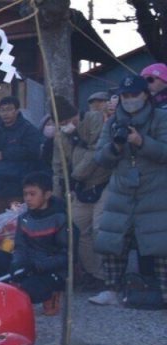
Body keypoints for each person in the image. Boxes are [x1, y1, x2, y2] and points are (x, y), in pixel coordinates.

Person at [90, 74, 167, 307]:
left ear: (146, 95)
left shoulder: (161, 117)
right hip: (122, 187)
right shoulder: (113, 122)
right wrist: (116, 146)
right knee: (113, 239)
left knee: (161, 242)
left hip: (156, 188)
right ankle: (111, 289)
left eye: (134, 94)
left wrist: (141, 142)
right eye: (125, 96)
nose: (130, 99)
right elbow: (99, 157)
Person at [0, 172, 69, 315]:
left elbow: (67, 257)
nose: (27, 198)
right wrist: (18, 263)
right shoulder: (24, 218)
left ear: (47, 195)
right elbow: (20, 247)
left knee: (26, 292)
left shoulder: (61, 219)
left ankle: (51, 294)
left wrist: (38, 266)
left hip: (50, 271)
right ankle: (4, 294)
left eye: (32, 194)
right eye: (25, 194)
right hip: (27, 266)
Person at [66, 108, 111, 288]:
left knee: (100, 228)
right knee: (78, 229)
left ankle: (108, 275)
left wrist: (76, 174)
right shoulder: (62, 134)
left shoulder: (94, 118)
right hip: (81, 189)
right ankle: (93, 273)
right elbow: (59, 162)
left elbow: (96, 150)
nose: (64, 126)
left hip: (103, 182)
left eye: (66, 121)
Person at [0, 96, 43, 214]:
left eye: (9, 109)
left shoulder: (28, 129)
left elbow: (33, 151)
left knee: (17, 221)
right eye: (2, 110)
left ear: (17, 110)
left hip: (18, 185)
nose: (5, 113)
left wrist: (6, 154)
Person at [49, 96, 79, 199]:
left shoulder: (86, 128)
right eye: (61, 124)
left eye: (66, 122)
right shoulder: (60, 137)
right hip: (70, 184)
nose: (65, 126)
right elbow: (58, 167)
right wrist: (56, 195)